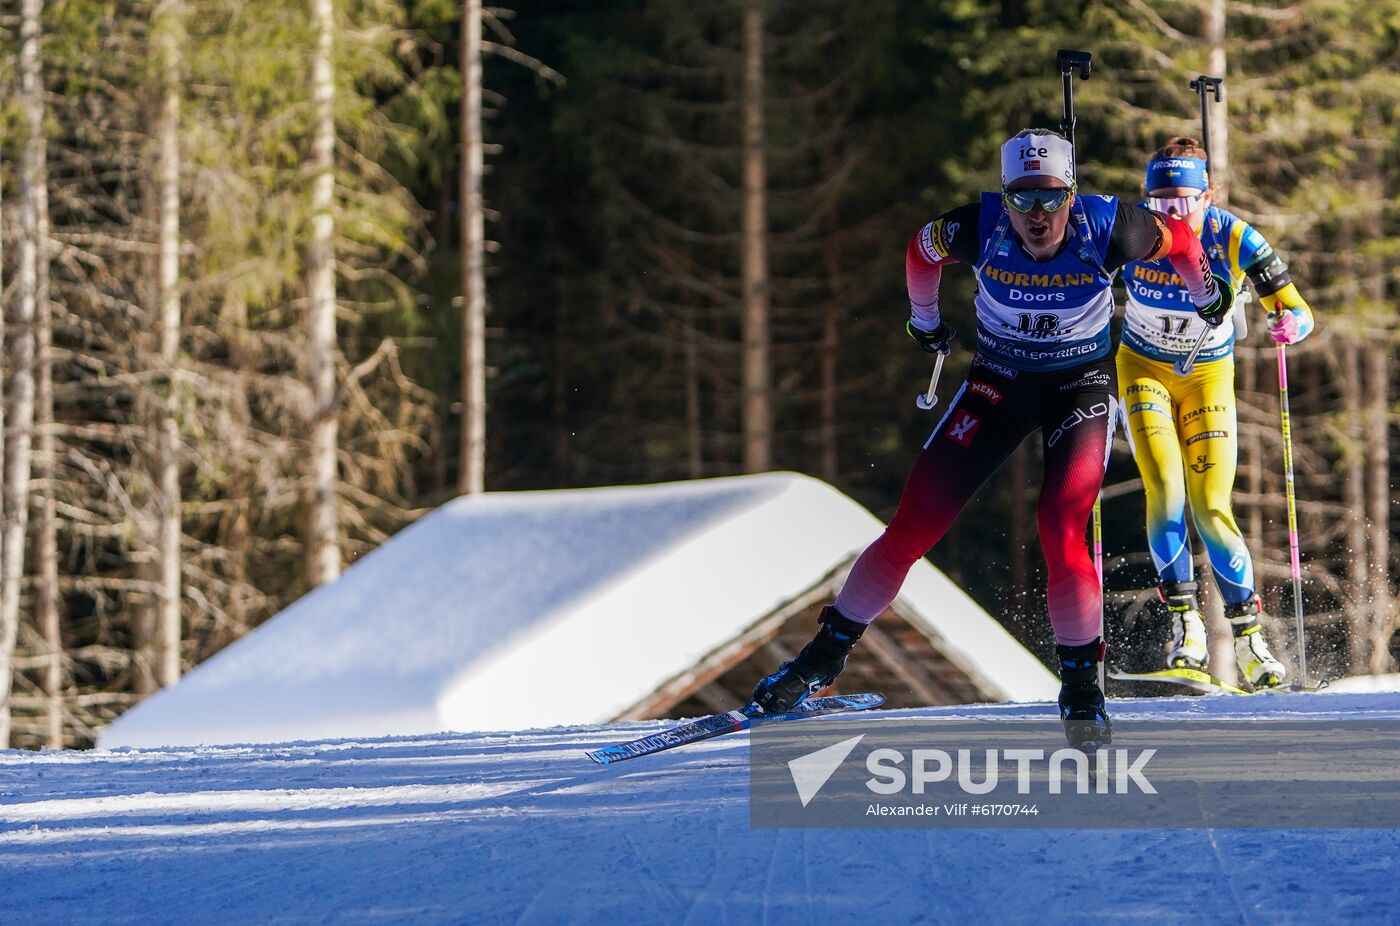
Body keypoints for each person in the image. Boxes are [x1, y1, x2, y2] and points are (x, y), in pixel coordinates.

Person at [751, 127, 1232, 746]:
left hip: (1077, 388)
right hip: (999, 382)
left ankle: (1083, 688)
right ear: (1004, 198)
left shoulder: (1113, 227)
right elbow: (919, 252)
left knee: (1061, 527)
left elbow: (1186, 241)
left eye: (1051, 198)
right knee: (913, 525)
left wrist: (1206, 293)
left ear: (1071, 195)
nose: (1037, 216)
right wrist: (924, 324)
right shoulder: (976, 226)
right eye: (1022, 199)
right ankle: (821, 658)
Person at [1116, 137, 1314, 688]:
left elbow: (1297, 309)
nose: (1172, 213)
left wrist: (1289, 324)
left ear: (1208, 196)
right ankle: (1187, 632)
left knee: (1210, 507)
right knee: (1166, 492)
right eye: (1161, 201)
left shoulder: (1234, 236)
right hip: (1145, 371)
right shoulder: (1135, 232)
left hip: (1207, 378)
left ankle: (1250, 643)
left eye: (1184, 201)